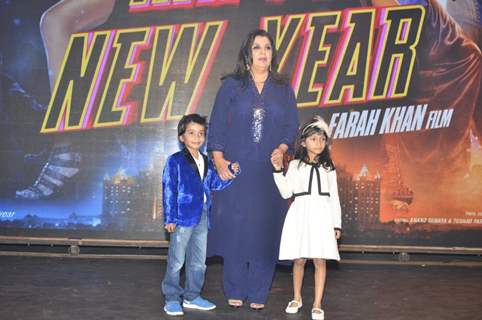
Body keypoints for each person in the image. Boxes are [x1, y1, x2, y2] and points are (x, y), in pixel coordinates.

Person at [207, 29, 299, 310]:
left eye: (268, 48)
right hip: (236, 170)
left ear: (273, 54)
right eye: (257, 47)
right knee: (236, 228)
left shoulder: (283, 89)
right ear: (248, 54)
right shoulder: (232, 86)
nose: (263, 52)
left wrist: (282, 150)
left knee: (264, 230)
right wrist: (219, 161)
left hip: (268, 173)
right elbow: (219, 124)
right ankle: (234, 287)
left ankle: (259, 291)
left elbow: (291, 126)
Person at [161, 113, 239, 316]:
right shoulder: (175, 161)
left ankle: (192, 296)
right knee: (177, 260)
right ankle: (171, 298)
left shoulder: (206, 160)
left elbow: (215, 184)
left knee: (198, 261)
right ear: (181, 137)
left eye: (201, 133)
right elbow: (169, 189)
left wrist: (231, 171)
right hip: (182, 217)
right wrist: (170, 218)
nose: (196, 137)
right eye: (191, 133)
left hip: (203, 216)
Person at [271, 116, 342, 320]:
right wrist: (277, 170)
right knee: (299, 259)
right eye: (313, 139)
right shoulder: (294, 165)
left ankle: (318, 303)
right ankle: (296, 297)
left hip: (322, 215)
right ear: (303, 142)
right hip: (300, 214)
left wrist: (336, 224)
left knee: (320, 260)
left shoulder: (329, 167)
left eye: (322, 139)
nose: (318, 143)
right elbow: (286, 192)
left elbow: (334, 197)